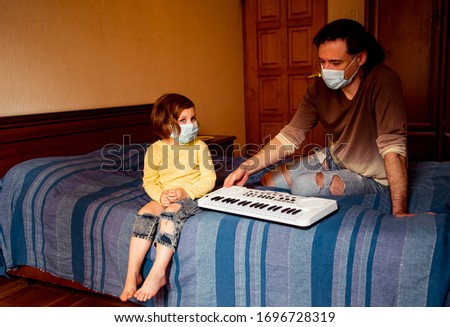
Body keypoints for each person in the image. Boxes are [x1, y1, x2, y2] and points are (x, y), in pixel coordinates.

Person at [224, 19, 412, 217]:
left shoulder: (384, 81)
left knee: (303, 187)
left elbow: (394, 149)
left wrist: (399, 211)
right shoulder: (318, 89)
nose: (327, 69)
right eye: (322, 62)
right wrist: (245, 168)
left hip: (372, 176)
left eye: (335, 62)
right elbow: (288, 138)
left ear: (360, 58)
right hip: (335, 158)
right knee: (269, 181)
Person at [120, 93, 216, 302]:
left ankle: (158, 272)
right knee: (144, 213)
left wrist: (185, 192)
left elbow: (209, 178)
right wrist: (160, 196)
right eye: (183, 120)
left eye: (193, 119)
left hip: (191, 197)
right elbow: (150, 180)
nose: (191, 124)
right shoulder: (155, 150)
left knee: (170, 215)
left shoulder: (200, 147)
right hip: (164, 197)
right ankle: (132, 272)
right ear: (164, 124)